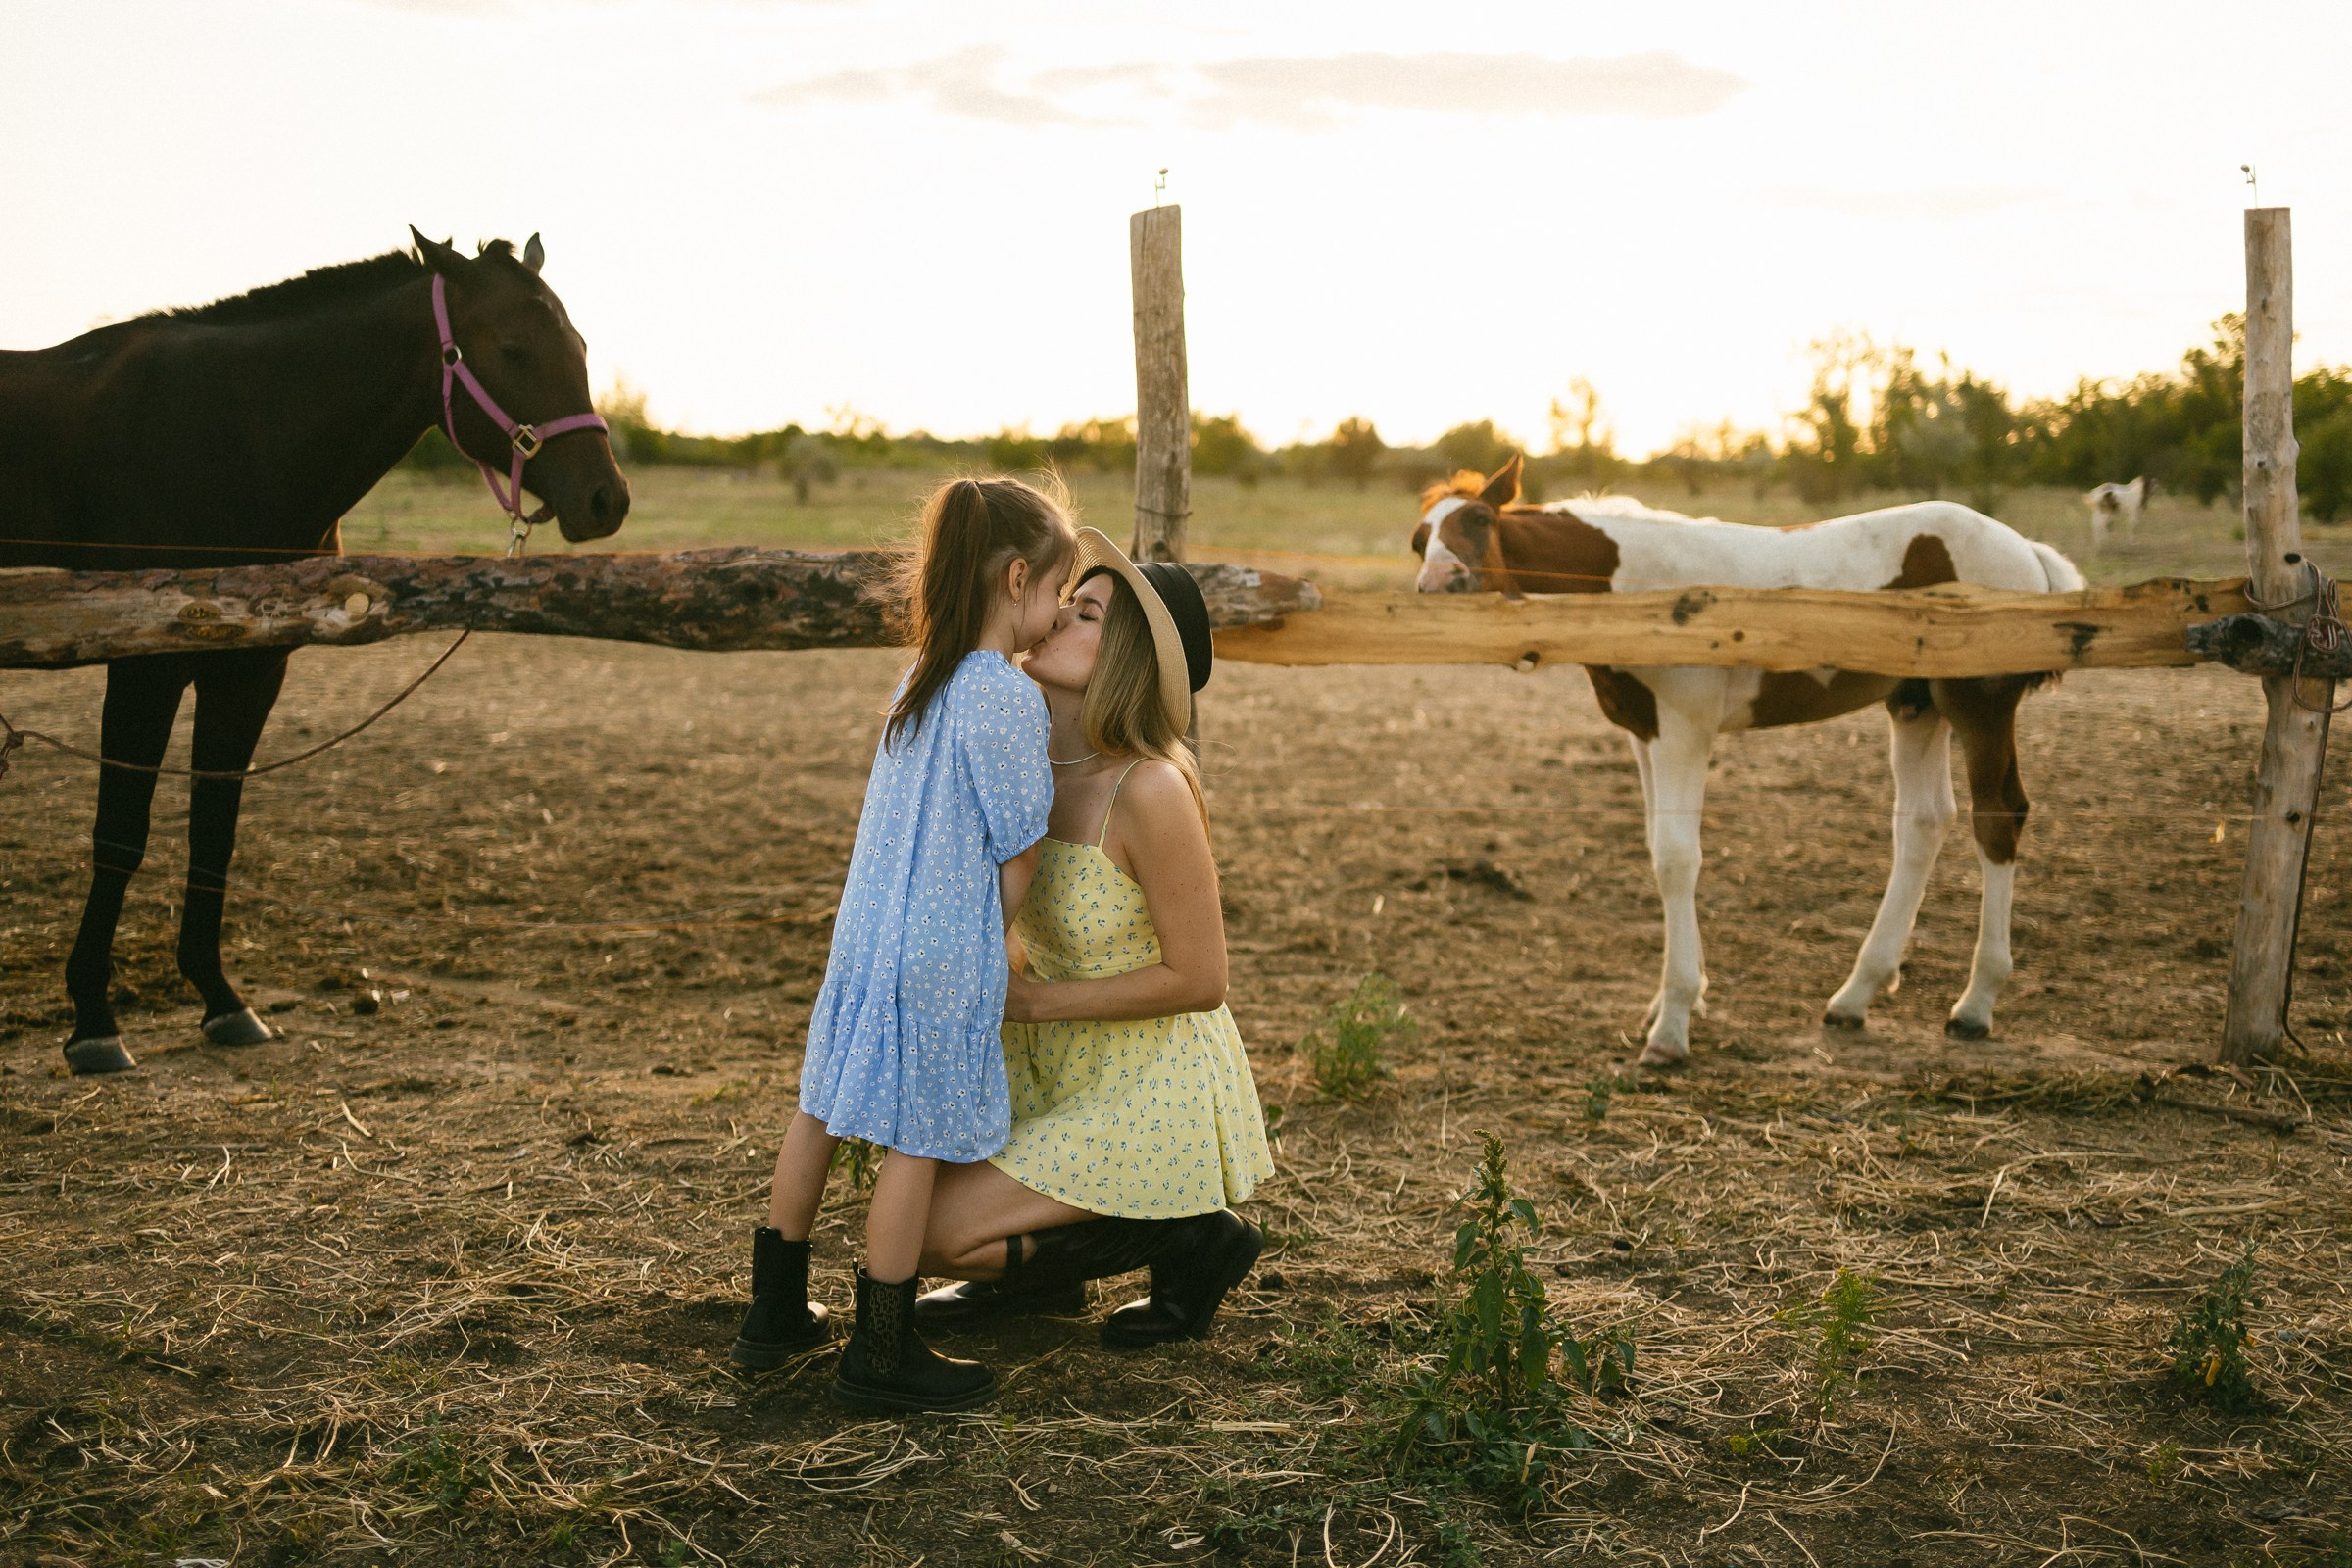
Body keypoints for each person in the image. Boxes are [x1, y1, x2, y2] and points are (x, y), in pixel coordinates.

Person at [729, 476, 1075, 1413]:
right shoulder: (1005, 697)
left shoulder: (918, 680)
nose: (1057, 616)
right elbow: (1016, 850)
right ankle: (881, 1348)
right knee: (915, 1145)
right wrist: (1001, 938)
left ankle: (773, 1313)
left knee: (821, 1109)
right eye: (1057, 592)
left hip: (867, 936)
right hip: (939, 947)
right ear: (1017, 579)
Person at [912, 527, 1275, 1345]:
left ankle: (1192, 1232)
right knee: (904, 1205)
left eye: (1084, 614)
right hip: (1044, 1069)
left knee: (936, 1238)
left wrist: (1034, 1002)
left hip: (1146, 1081)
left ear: (1130, 661)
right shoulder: (1023, 763)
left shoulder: (1150, 788)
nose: (1051, 622)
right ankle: (1041, 1288)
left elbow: (1201, 978)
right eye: (1064, 604)